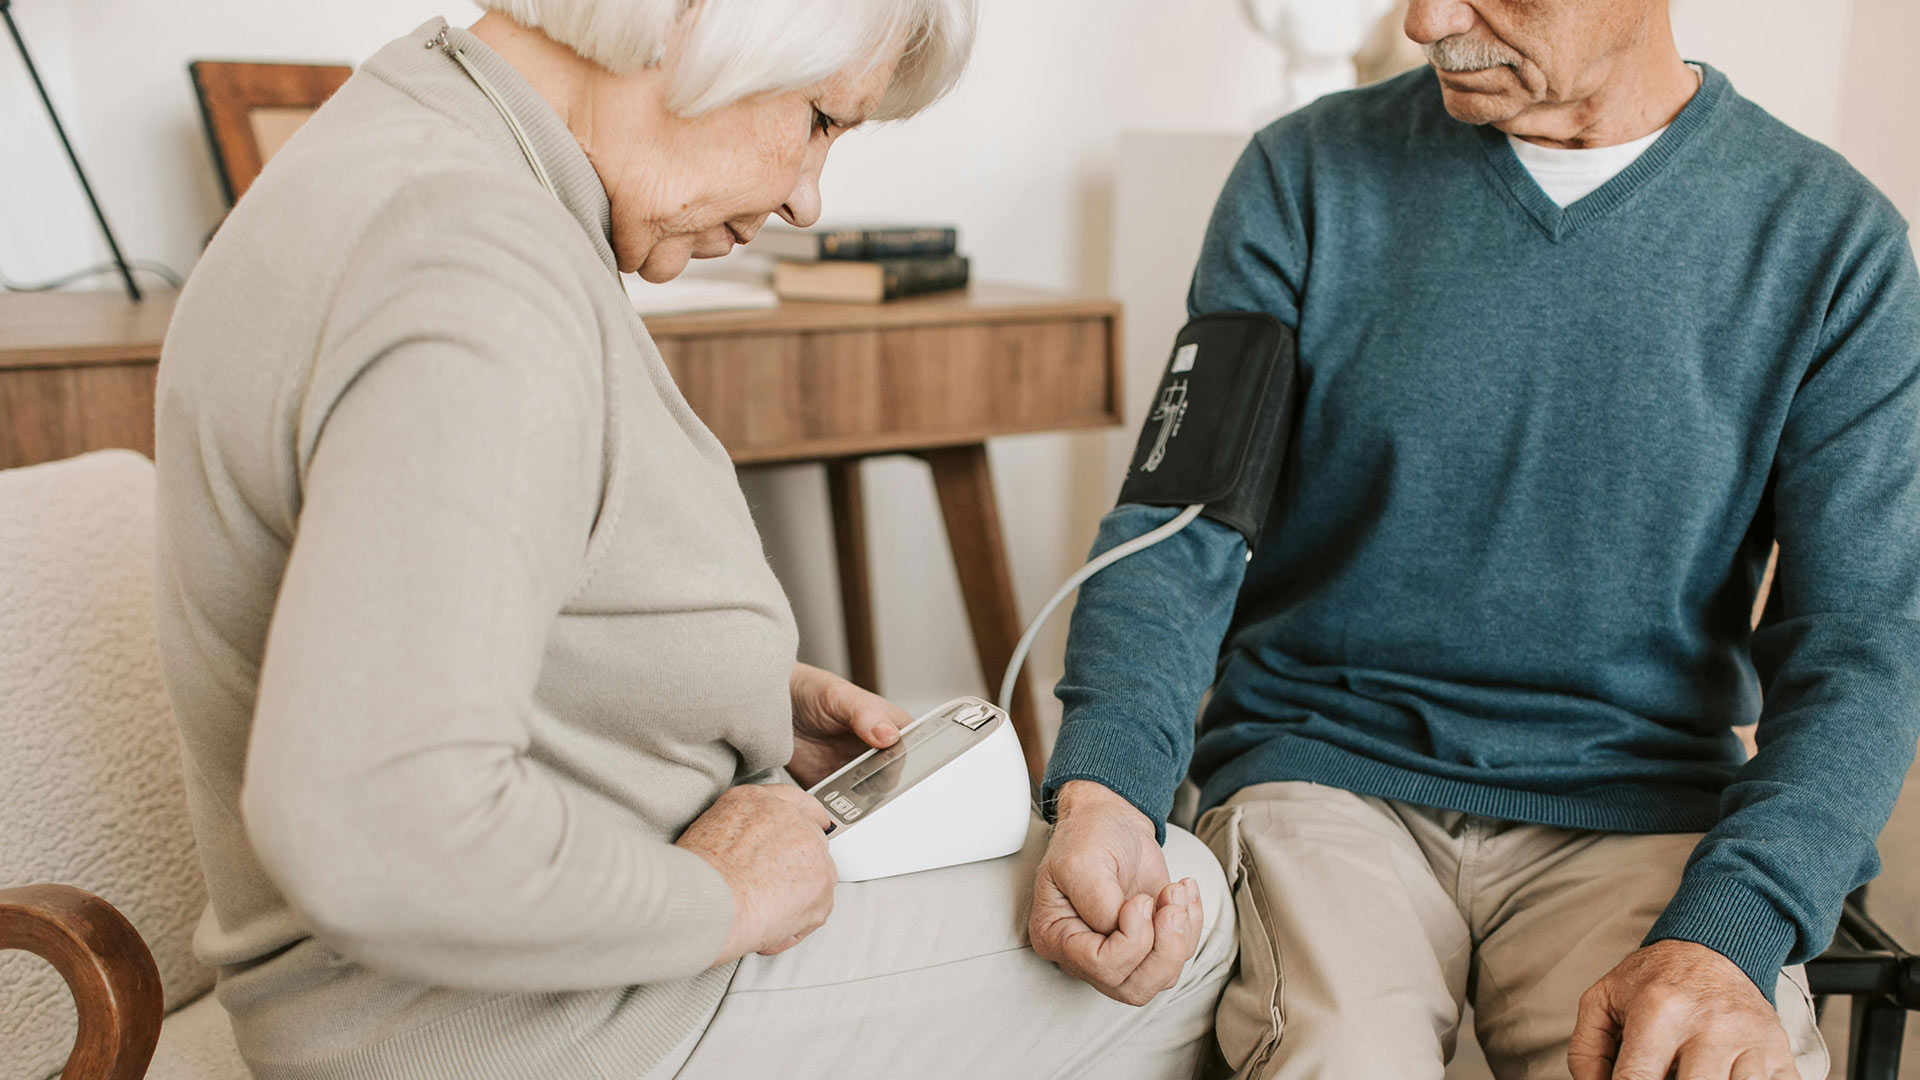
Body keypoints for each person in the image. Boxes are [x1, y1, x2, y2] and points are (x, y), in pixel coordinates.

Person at [152, 3, 1234, 1078]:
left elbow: (425, 599)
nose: (808, 198)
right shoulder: (479, 268)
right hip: (513, 1029)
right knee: (1187, 912)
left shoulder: (406, 137)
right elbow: (370, 824)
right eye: (821, 121)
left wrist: (715, 692)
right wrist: (720, 900)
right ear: (702, 21)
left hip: (422, 998)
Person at [1029, 0, 1920, 1077]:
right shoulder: (1306, 175)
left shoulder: (1834, 244)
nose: (1426, 20)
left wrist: (1732, 926)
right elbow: (1180, 529)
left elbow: (1862, 646)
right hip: (1326, 774)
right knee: (1341, 1056)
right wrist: (1108, 787)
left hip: (1642, 808)